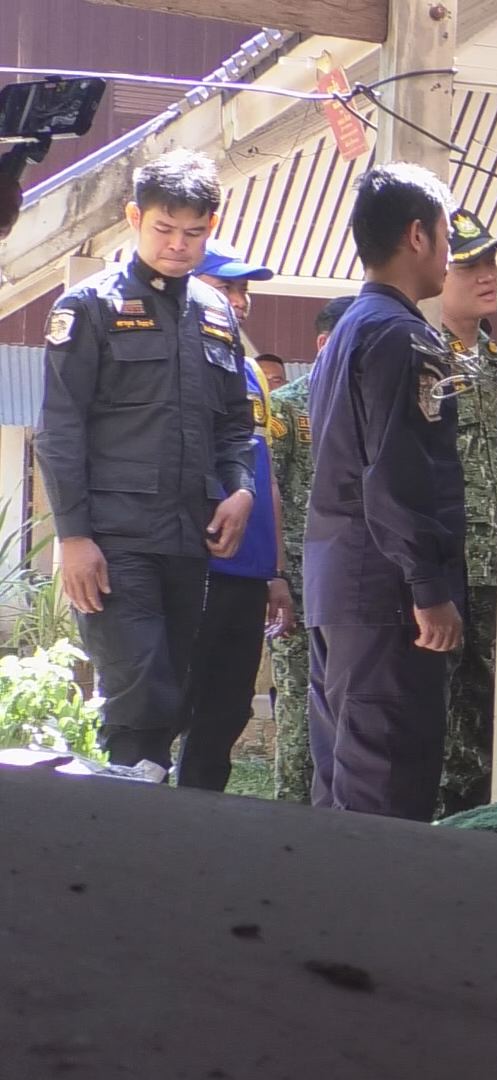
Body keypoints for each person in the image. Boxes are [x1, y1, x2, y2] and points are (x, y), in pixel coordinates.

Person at [36, 149, 255, 772]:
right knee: (141, 694)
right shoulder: (88, 306)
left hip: (190, 538)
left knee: (174, 694)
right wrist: (74, 537)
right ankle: (123, 819)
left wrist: (241, 490)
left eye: (194, 232)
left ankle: (145, 811)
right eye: (164, 228)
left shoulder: (215, 312)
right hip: (113, 540)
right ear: (134, 218)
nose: (178, 245)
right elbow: (60, 430)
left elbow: (235, 424)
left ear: (211, 226)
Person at [305, 163, 466, 820]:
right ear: (417, 236)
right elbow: (396, 472)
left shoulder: (348, 330)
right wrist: (428, 587)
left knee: (343, 789)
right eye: (447, 236)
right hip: (386, 595)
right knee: (384, 796)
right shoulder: (402, 336)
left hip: (342, 588)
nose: (451, 254)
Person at [176, 241, 294, 791]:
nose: (239, 301)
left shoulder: (250, 370)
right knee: (171, 705)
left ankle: (201, 821)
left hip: (249, 573)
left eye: (244, 290)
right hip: (194, 565)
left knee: (227, 710)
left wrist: (276, 570)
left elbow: (265, 475)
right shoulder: (175, 363)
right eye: (226, 287)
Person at [438, 208, 497, 815]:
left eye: (490, 261)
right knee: (442, 711)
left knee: (492, 709)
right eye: (470, 266)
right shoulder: (418, 355)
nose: (488, 275)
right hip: (446, 569)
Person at [268, 296, 351, 801]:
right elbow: (269, 490)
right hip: (298, 583)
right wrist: (276, 575)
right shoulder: (287, 406)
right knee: (300, 705)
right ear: (324, 344)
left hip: (352, 579)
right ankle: (293, 812)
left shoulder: (366, 401)